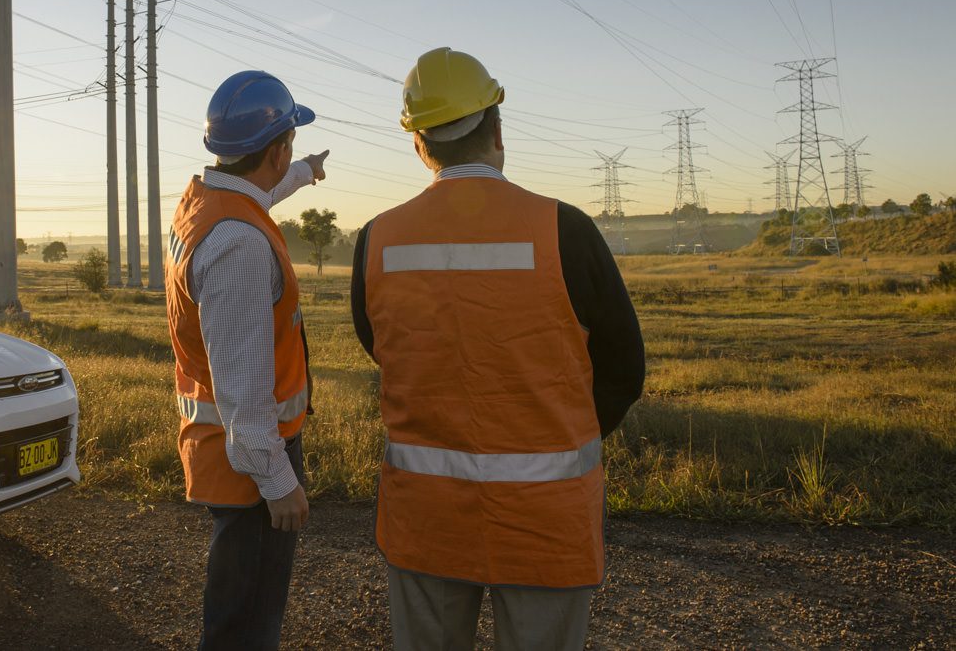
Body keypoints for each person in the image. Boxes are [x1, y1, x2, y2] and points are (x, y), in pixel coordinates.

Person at [350, 48, 645, 651]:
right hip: (546, 520)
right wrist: (558, 428)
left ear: (419, 146)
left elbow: (381, 346)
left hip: (427, 517)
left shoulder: (377, 239)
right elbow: (624, 370)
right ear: (498, 131)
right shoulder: (565, 229)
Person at [165, 70, 330, 651]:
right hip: (249, 464)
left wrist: (305, 172)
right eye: (287, 151)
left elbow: (259, 192)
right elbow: (241, 383)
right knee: (245, 626)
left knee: (241, 609)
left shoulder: (206, 201)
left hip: (224, 446)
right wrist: (278, 480)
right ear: (275, 148)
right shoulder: (239, 244)